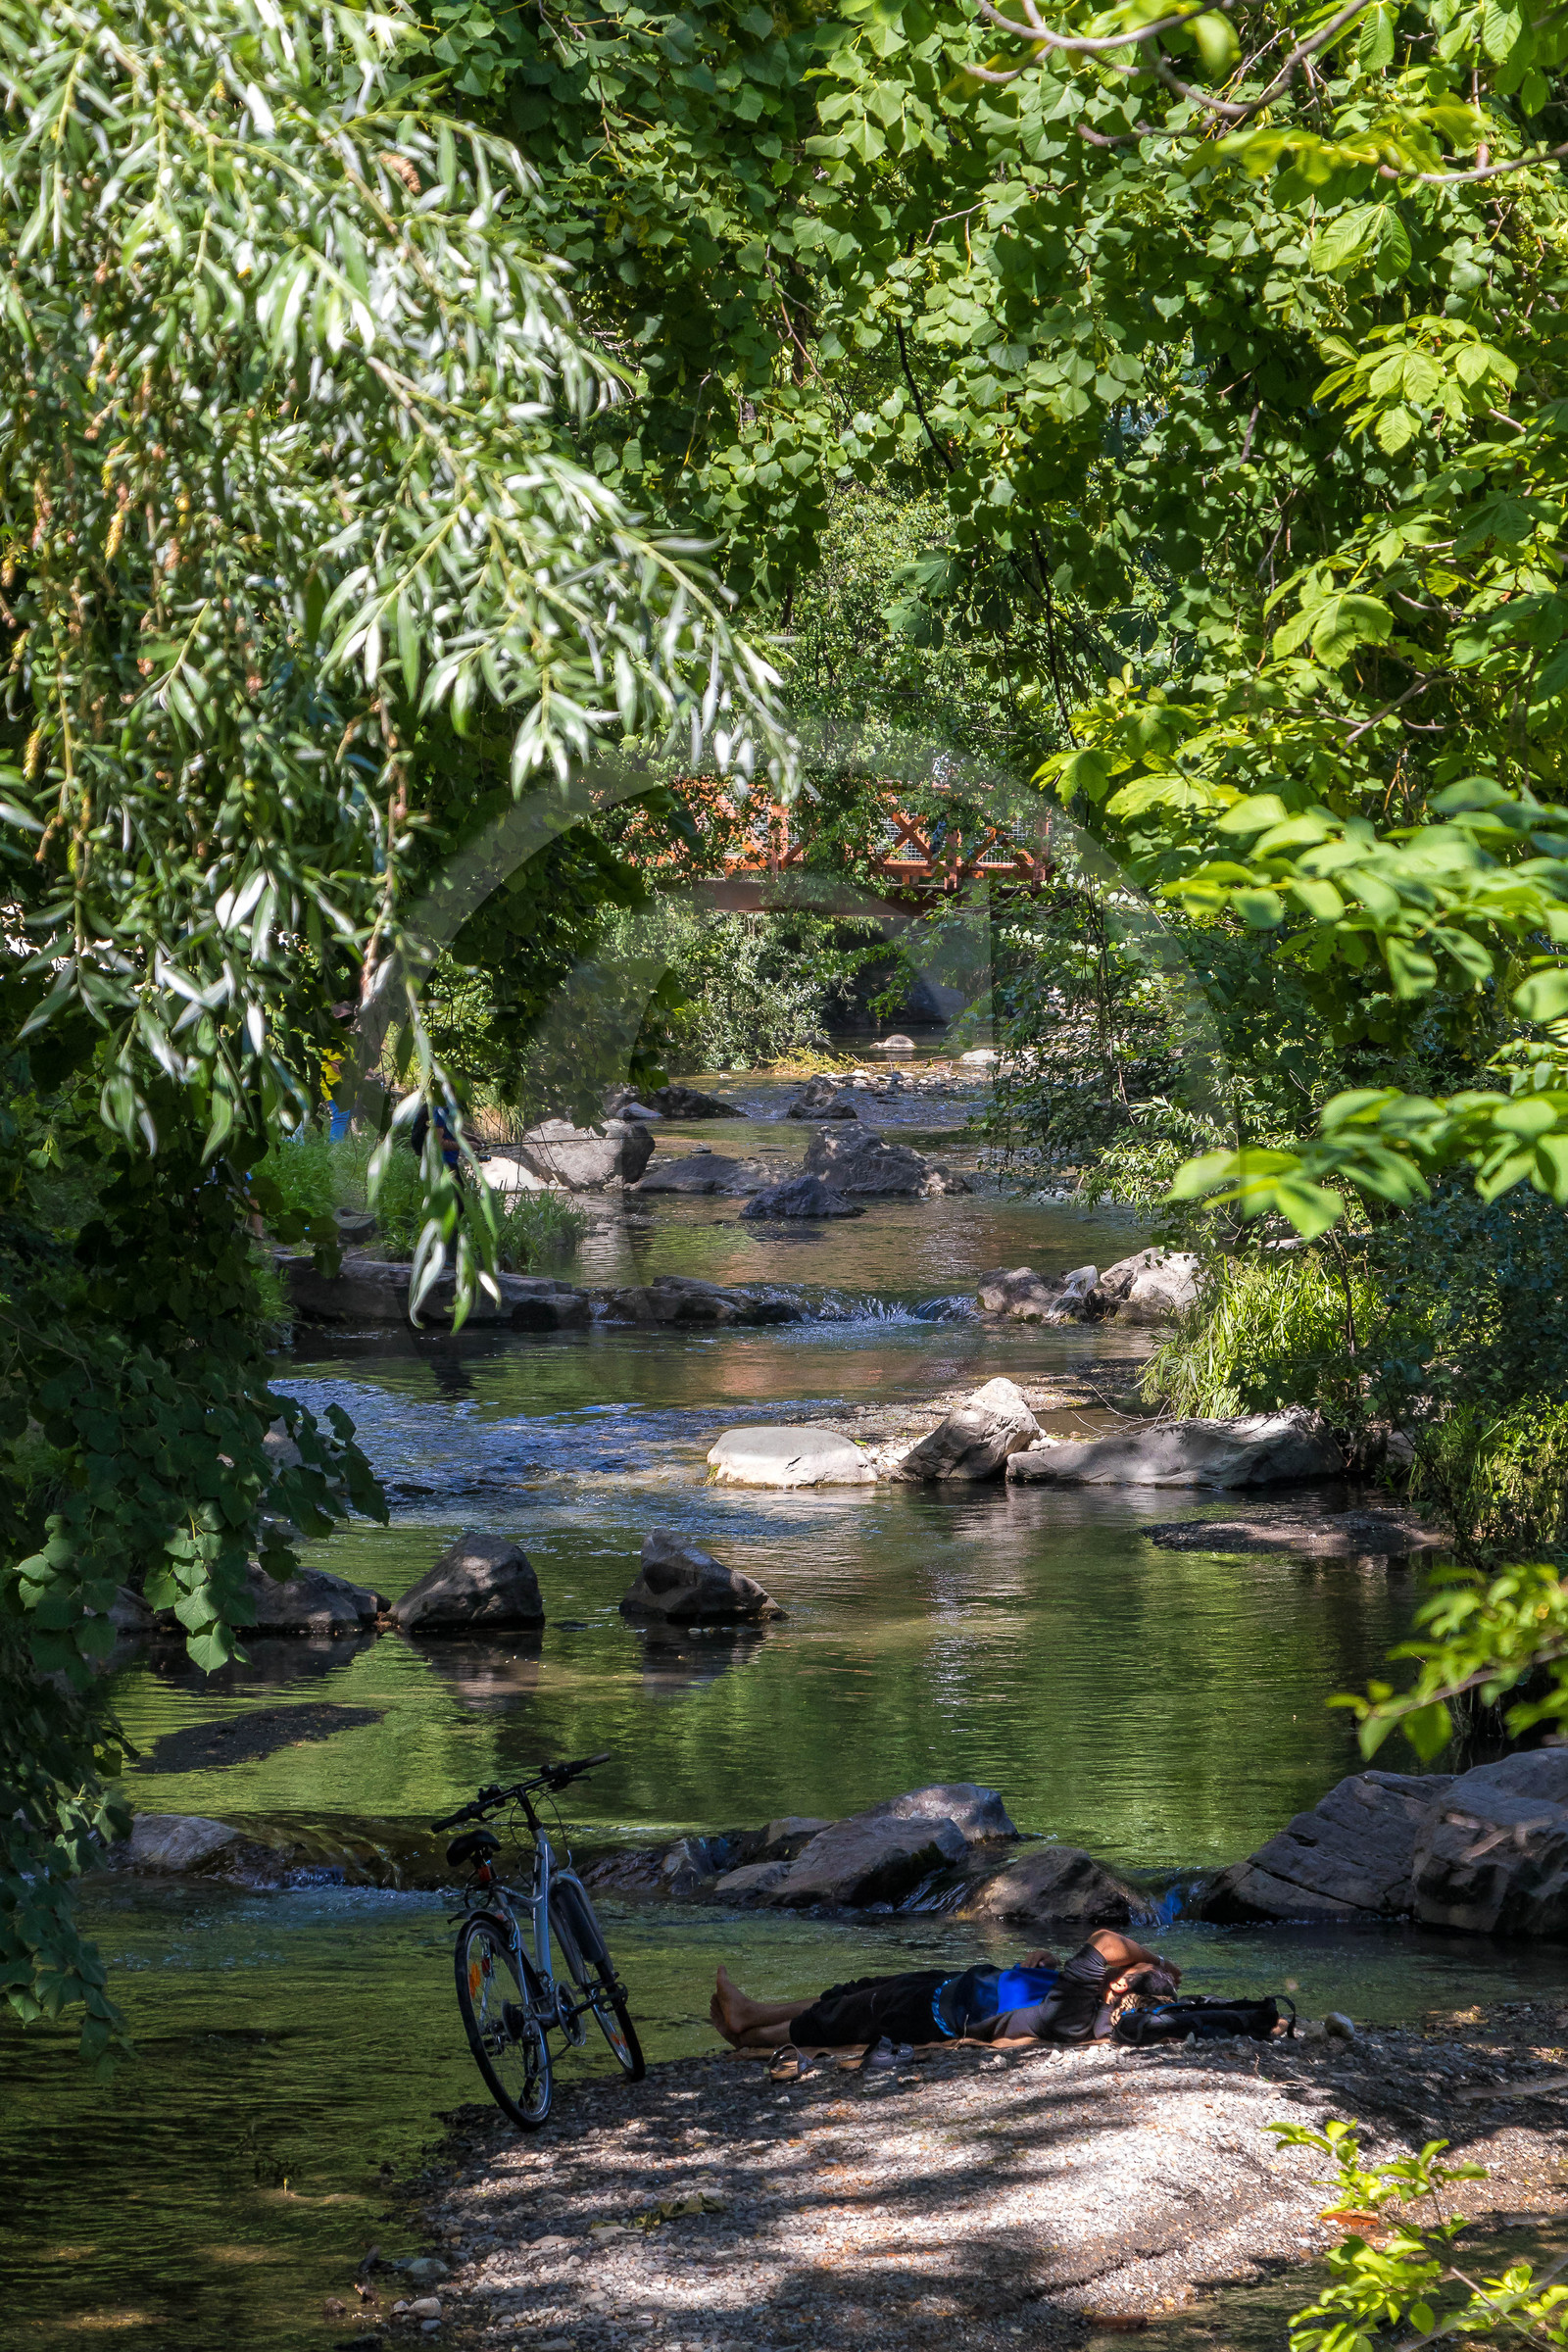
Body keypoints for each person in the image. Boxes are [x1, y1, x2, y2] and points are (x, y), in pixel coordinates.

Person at [709, 1928, 1181, 2062]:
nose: (1122, 1963)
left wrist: (1156, 1960)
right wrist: (1044, 1965)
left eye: (1128, 1969)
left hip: (931, 2010)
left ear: (1121, 1984)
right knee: (848, 1996)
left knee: (835, 2020)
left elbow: (1106, 1940)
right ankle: (754, 2013)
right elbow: (1047, 1995)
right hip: (952, 1988)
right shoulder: (1087, 2004)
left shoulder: (1077, 2012)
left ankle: (749, 2034)